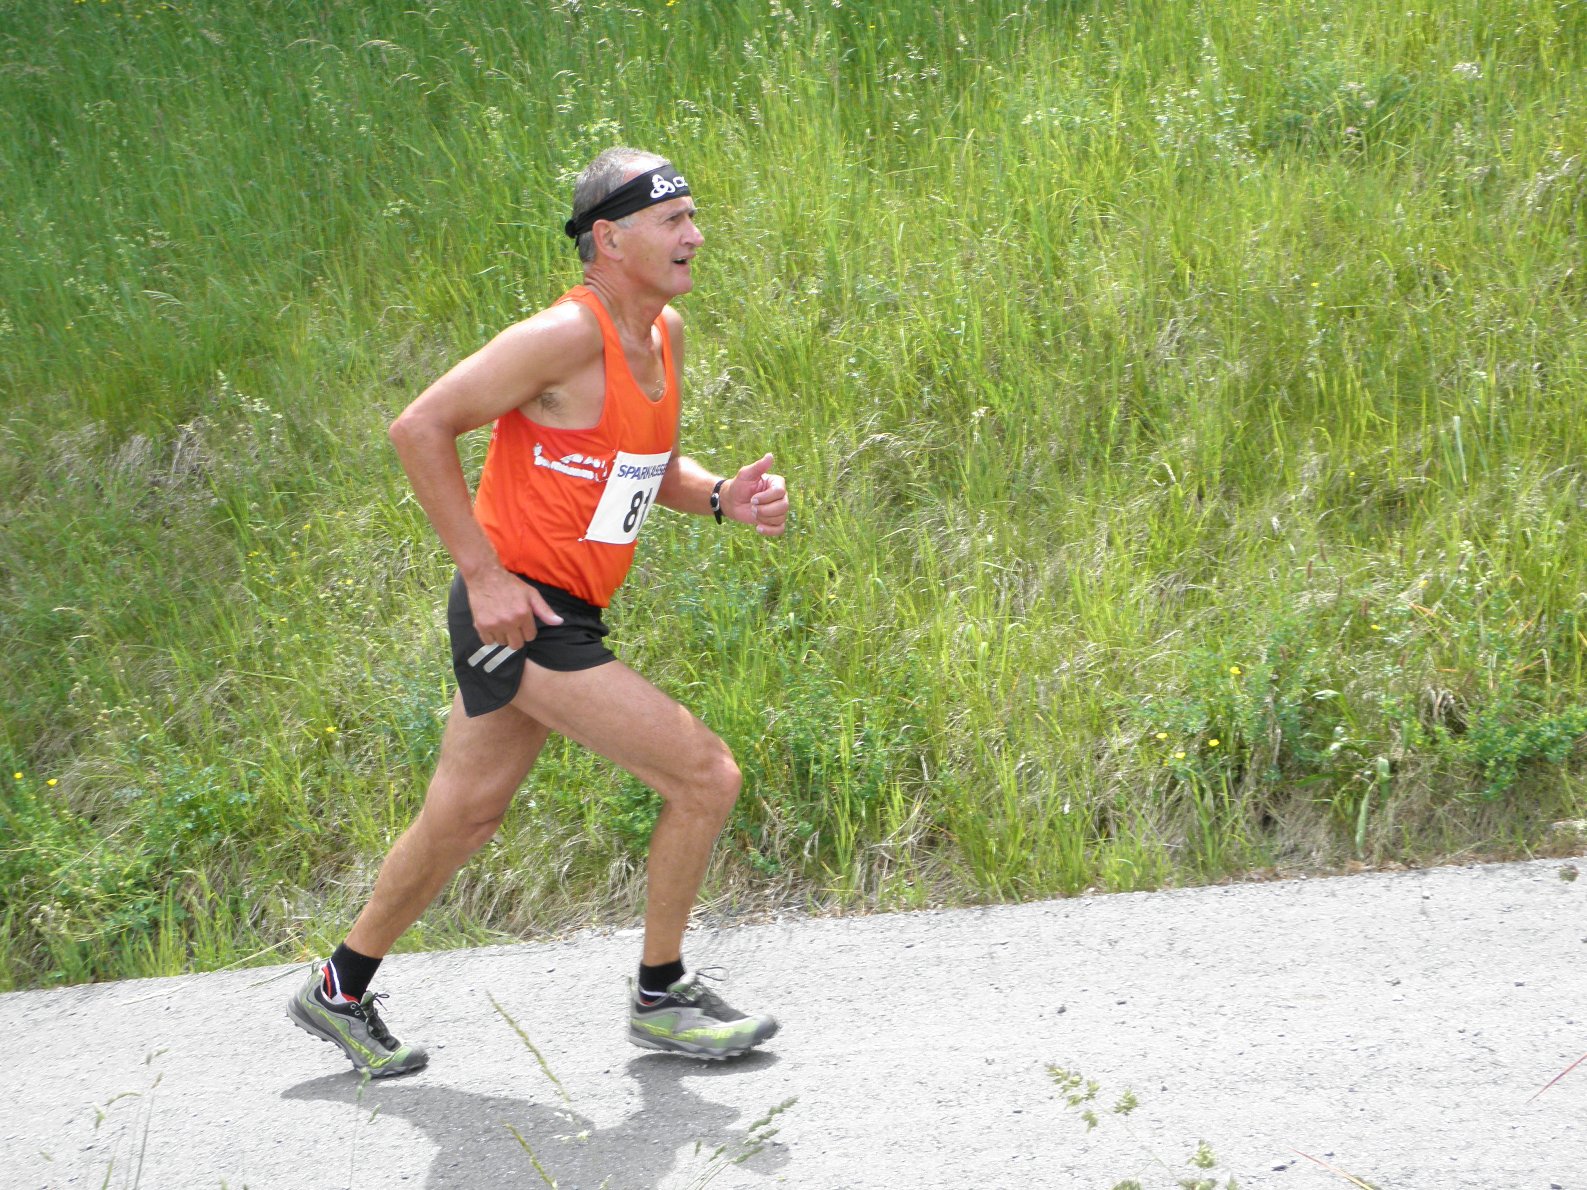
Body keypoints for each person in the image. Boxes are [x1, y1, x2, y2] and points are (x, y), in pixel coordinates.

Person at [287, 147, 788, 1076]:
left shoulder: (664, 335)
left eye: (692, 215)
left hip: (558, 610)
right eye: (672, 219)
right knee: (705, 776)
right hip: (521, 614)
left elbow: (641, 471)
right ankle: (661, 995)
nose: (695, 234)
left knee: (464, 817)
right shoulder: (562, 335)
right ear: (610, 240)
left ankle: (337, 989)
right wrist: (482, 577)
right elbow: (418, 426)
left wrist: (723, 496)